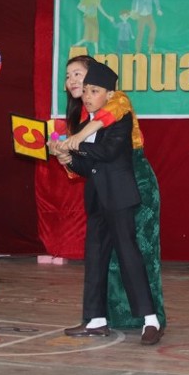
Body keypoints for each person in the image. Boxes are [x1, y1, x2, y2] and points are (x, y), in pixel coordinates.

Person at [52, 60, 162, 345]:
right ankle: (95, 319)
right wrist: (66, 157)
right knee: (95, 258)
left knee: (128, 254)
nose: (87, 95)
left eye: (93, 90)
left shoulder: (119, 114)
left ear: (109, 95)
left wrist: (76, 145)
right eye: (84, 90)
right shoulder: (87, 123)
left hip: (120, 196)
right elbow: (87, 167)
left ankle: (150, 320)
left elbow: (109, 151)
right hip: (98, 198)